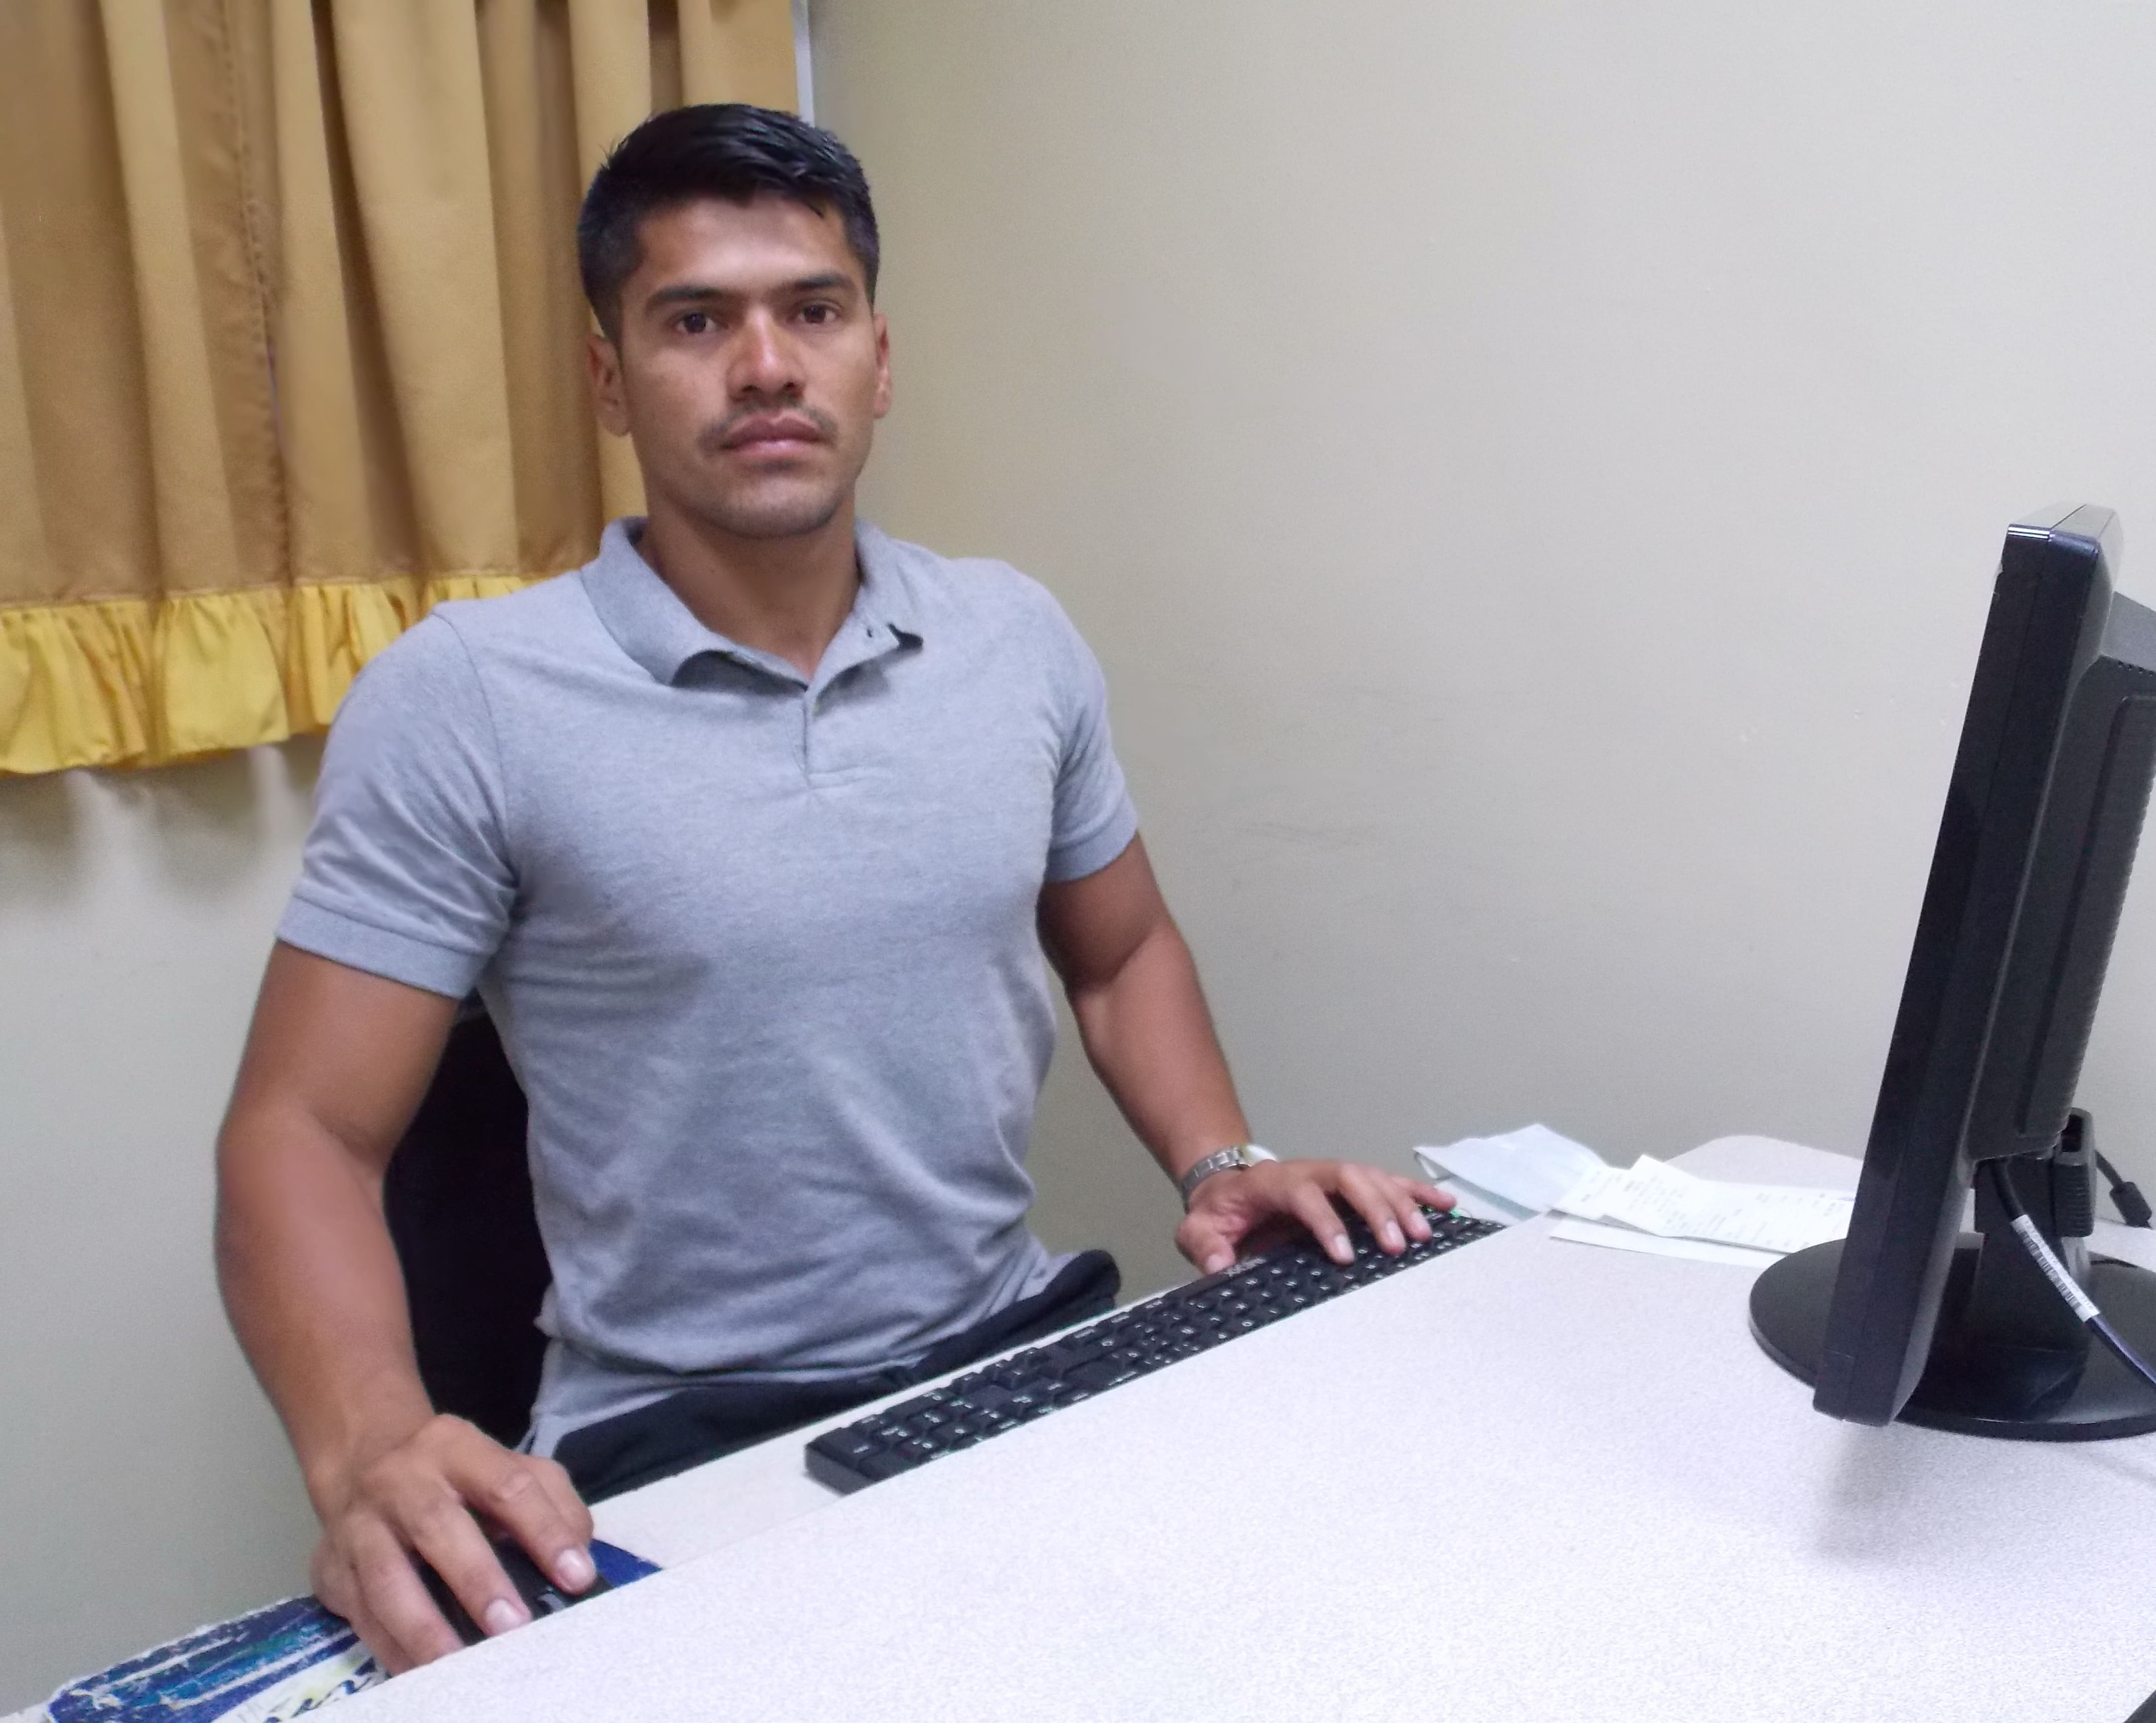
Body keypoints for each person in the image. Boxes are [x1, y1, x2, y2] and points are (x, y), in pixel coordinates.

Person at [214, 104, 1449, 1674]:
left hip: (1009, 1359)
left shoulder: (1013, 638)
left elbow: (1122, 950)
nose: (766, 367)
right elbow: (302, 1132)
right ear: (611, 379)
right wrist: (372, 1447)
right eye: (695, 322)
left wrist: (1222, 1161)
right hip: (682, 1442)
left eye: (813, 310)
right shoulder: (469, 697)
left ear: (878, 358)